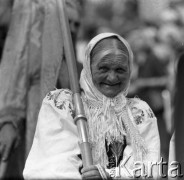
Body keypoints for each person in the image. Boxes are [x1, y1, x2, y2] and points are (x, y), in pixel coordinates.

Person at [23, 33, 160, 179]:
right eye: (104, 68)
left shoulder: (139, 112)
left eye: (120, 70)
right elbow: (53, 166)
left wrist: (109, 175)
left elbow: (150, 168)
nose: (112, 77)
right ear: (88, 67)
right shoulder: (64, 104)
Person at [0, 0, 82, 178]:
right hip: (30, 127)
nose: (73, 29)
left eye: (77, 24)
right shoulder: (33, 51)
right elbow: (15, 69)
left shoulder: (77, 67)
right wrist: (9, 120)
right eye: (69, 22)